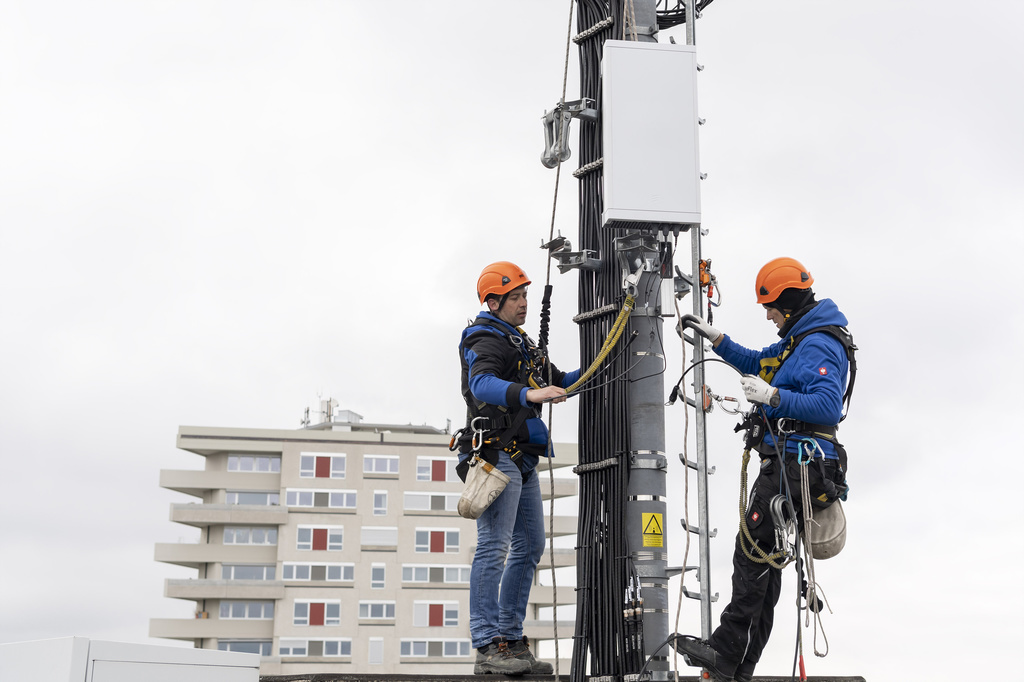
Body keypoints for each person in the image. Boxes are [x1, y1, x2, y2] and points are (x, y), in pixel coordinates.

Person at [675, 257, 854, 682]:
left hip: (797, 463)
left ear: (787, 303)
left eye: (771, 308)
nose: (770, 316)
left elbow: (828, 405)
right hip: (789, 461)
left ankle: (726, 652)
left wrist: (775, 397)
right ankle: (739, 664)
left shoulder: (817, 343)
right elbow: (759, 362)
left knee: (752, 551)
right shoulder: (798, 339)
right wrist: (717, 340)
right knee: (765, 559)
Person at [456, 261, 581, 676]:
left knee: (530, 547)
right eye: (516, 297)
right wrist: (530, 392)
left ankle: (509, 638)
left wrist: (603, 361)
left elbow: (561, 379)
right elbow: (482, 384)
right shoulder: (486, 337)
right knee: (494, 548)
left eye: (526, 296)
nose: (525, 303)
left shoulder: (521, 343)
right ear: (494, 302)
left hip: (521, 458)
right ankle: (487, 643)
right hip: (497, 453)